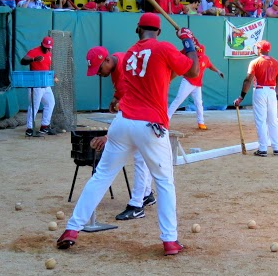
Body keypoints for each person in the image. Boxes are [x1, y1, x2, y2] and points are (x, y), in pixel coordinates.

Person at [57, 14, 199, 256]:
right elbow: (194, 71)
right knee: (164, 182)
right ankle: (170, 241)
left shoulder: (131, 52)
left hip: (122, 123)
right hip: (149, 124)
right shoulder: (163, 47)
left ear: (137, 29)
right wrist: (188, 44)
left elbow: (167, 72)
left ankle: (72, 229)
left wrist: (187, 49)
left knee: (101, 176)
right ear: (159, 31)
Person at [84, 46, 156, 221]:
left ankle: (137, 205)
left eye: (99, 69)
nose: (99, 74)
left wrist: (109, 136)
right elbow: (121, 90)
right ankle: (146, 194)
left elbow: (129, 108)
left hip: (145, 115)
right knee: (142, 159)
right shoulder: (117, 59)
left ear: (107, 60)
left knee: (141, 159)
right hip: (139, 115)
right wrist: (116, 98)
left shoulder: (124, 68)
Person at [233, 41, 278, 157]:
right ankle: (276, 148)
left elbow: (248, 80)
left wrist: (241, 97)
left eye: (257, 48)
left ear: (260, 49)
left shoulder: (255, 62)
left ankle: (263, 149)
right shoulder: (276, 63)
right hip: (272, 91)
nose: (256, 49)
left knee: (261, 121)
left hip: (260, 90)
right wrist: (277, 97)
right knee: (273, 121)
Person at [168, 44, 224, 130]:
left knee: (199, 103)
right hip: (188, 82)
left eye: (199, 55)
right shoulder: (189, 58)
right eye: (197, 55)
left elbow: (210, 66)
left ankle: (201, 123)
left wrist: (218, 71)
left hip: (197, 84)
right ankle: (166, 120)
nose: (198, 57)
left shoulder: (205, 58)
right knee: (178, 101)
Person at [20, 37, 57, 137]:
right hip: (35, 84)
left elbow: (47, 67)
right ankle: (29, 128)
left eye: (49, 48)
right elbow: (22, 61)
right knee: (34, 106)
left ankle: (44, 126)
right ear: (41, 44)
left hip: (45, 84)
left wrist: (53, 76)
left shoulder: (49, 53)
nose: (47, 49)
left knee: (50, 103)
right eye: (45, 47)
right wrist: (33, 59)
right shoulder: (34, 51)